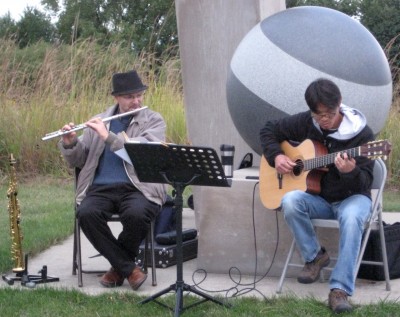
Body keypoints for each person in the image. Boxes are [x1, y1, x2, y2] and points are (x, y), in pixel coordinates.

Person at [260, 78, 375, 313]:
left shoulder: (362, 135)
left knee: (352, 219)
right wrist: (277, 157)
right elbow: (268, 129)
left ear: (340, 103)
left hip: (353, 198)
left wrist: (350, 172)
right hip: (320, 199)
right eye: (318, 114)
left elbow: (366, 182)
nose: (324, 120)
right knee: (290, 201)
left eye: (329, 114)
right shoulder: (307, 122)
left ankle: (339, 290)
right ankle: (315, 256)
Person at [59, 70, 167, 290]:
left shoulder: (153, 120)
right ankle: (129, 269)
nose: (136, 101)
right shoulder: (101, 121)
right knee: (87, 214)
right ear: (116, 97)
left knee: (137, 214)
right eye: (129, 97)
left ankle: (118, 269)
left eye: (139, 95)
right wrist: (70, 143)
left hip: (138, 187)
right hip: (101, 188)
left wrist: (108, 137)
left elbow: (142, 155)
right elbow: (78, 160)